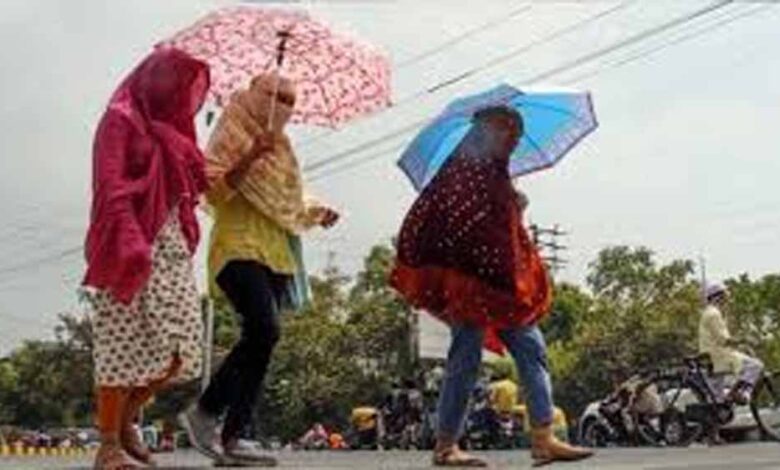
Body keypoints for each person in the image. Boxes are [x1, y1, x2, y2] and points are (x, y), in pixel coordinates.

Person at [390, 105, 593, 467]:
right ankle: (446, 446)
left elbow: (502, 231)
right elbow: (457, 227)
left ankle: (543, 437)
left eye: (516, 132)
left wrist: (516, 206)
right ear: (483, 131)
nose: (512, 139)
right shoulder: (460, 173)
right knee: (466, 359)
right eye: (505, 130)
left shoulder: (497, 175)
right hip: (470, 283)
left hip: (503, 284)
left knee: (531, 350)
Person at [179, 73, 339, 467]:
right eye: (274, 95)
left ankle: (234, 435)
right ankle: (204, 412)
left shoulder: (283, 147)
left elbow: (289, 199)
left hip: (277, 253)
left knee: (262, 341)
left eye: (290, 100)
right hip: (237, 245)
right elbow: (212, 188)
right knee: (264, 329)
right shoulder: (231, 129)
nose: (282, 106)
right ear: (253, 93)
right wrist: (251, 154)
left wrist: (318, 211)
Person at [82, 48, 210, 469]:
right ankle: (108, 444)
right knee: (120, 344)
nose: (179, 95)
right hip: (127, 241)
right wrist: (132, 242)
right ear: (152, 79)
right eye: (173, 83)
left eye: (185, 88)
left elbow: (194, 186)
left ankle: (123, 423)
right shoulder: (120, 119)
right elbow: (110, 186)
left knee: (179, 351)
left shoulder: (175, 133)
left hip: (170, 247)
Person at [700, 283, 764, 405]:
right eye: (725, 296)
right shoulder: (714, 314)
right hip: (718, 356)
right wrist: (745, 340)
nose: (727, 299)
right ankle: (736, 393)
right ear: (718, 297)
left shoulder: (709, 312)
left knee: (717, 400)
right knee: (756, 365)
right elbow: (724, 340)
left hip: (711, 355)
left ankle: (726, 400)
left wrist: (739, 345)